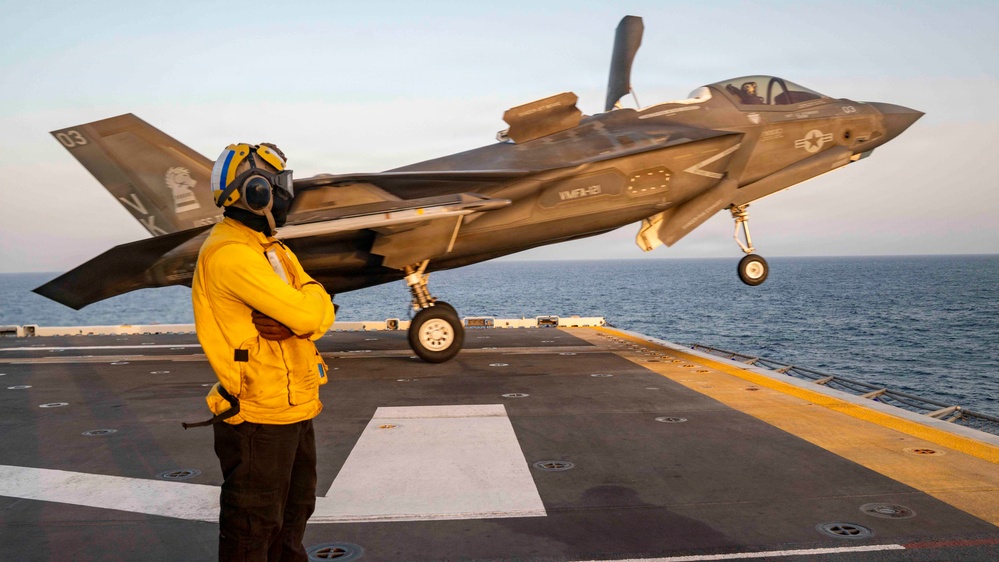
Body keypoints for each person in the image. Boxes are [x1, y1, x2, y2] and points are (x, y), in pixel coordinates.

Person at [187, 142, 336, 561]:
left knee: (293, 516)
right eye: (280, 184)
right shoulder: (233, 255)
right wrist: (306, 309)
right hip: (259, 414)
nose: (288, 192)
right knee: (252, 528)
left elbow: (319, 306)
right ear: (257, 191)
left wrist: (308, 303)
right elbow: (311, 318)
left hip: (292, 407)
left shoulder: (271, 248)